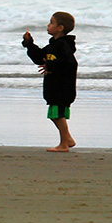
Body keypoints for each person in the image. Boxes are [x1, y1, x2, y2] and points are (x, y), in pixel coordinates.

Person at [22, 12, 78, 152]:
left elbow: (70, 63)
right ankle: (68, 139)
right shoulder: (53, 45)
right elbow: (40, 57)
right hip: (54, 86)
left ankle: (64, 145)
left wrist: (51, 65)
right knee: (54, 114)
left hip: (63, 86)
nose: (48, 25)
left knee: (58, 115)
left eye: (51, 22)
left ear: (60, 28)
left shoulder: (64, 45)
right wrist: (30, 44)